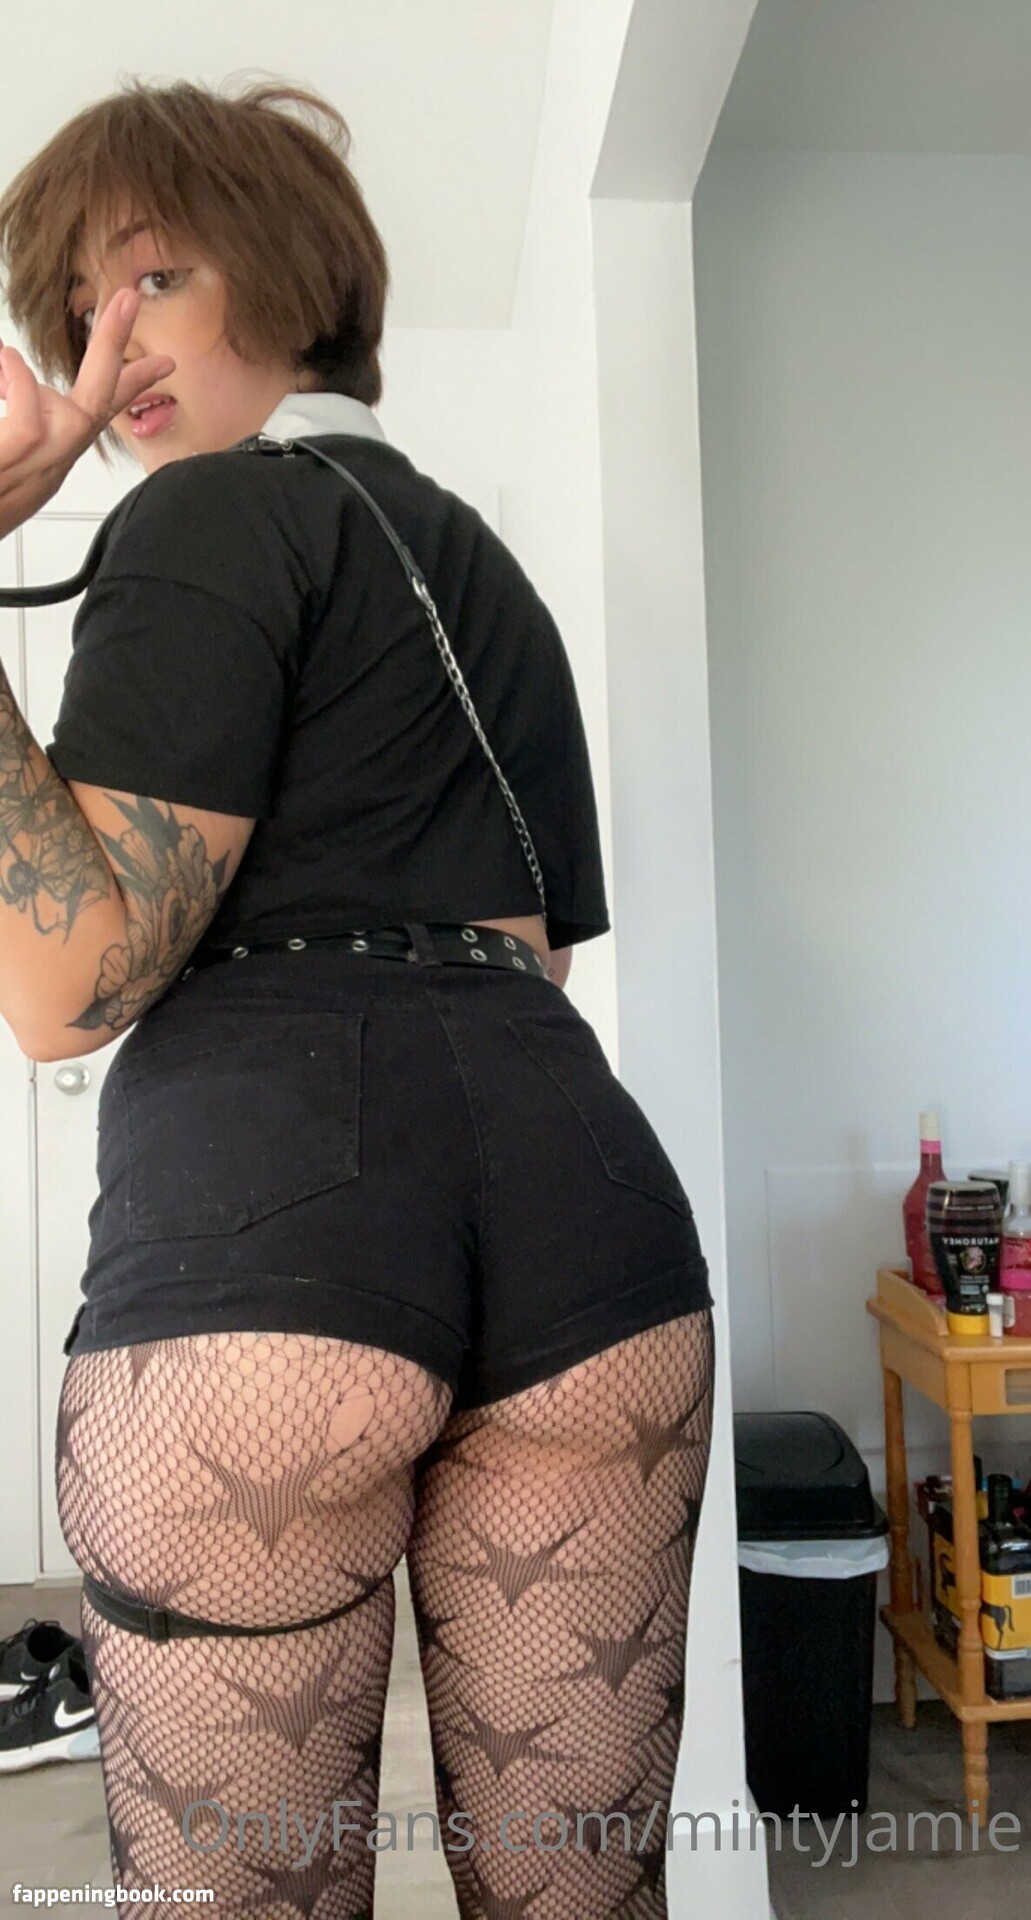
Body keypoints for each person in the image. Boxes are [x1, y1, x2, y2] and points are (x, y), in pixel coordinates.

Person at [0, 76, 715, 1918]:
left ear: (288, 268)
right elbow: (539, 951)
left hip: (269, 1228)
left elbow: (68, 986)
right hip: (590, 1223)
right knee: (581, 1899)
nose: (105, 344)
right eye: (72, 308)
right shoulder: (490, 576)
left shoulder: (207, 518)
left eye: (152, 276)